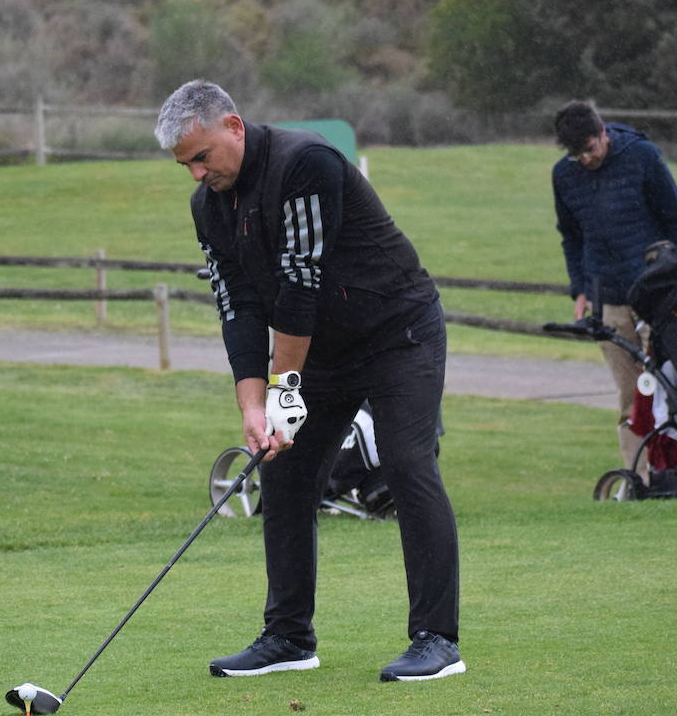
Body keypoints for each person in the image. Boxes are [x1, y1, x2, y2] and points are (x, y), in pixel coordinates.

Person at [154, 80, 463, 682]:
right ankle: (289, 636)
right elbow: (238, 306)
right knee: (284, 470)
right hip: (323, 350)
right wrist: (253, 407)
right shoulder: (210, 207)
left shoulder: (306, 164)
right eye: (184, 164)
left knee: (406, 462)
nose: (195, 173)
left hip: (397, 331)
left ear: (234, 128)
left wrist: (283, 389)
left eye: (201, 156)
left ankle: (436, 639)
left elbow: (301, 281)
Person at [552, 100, 677, 475]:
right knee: (631, 397)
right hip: (607, 298)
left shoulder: (642, 156)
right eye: (575, 153)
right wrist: (580, 288)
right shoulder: (563, 176)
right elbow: (571, 236)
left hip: (657, 293)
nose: (584, 158)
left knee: (672, 387)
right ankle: (639, 480)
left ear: (602, 133)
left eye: (590, 148)